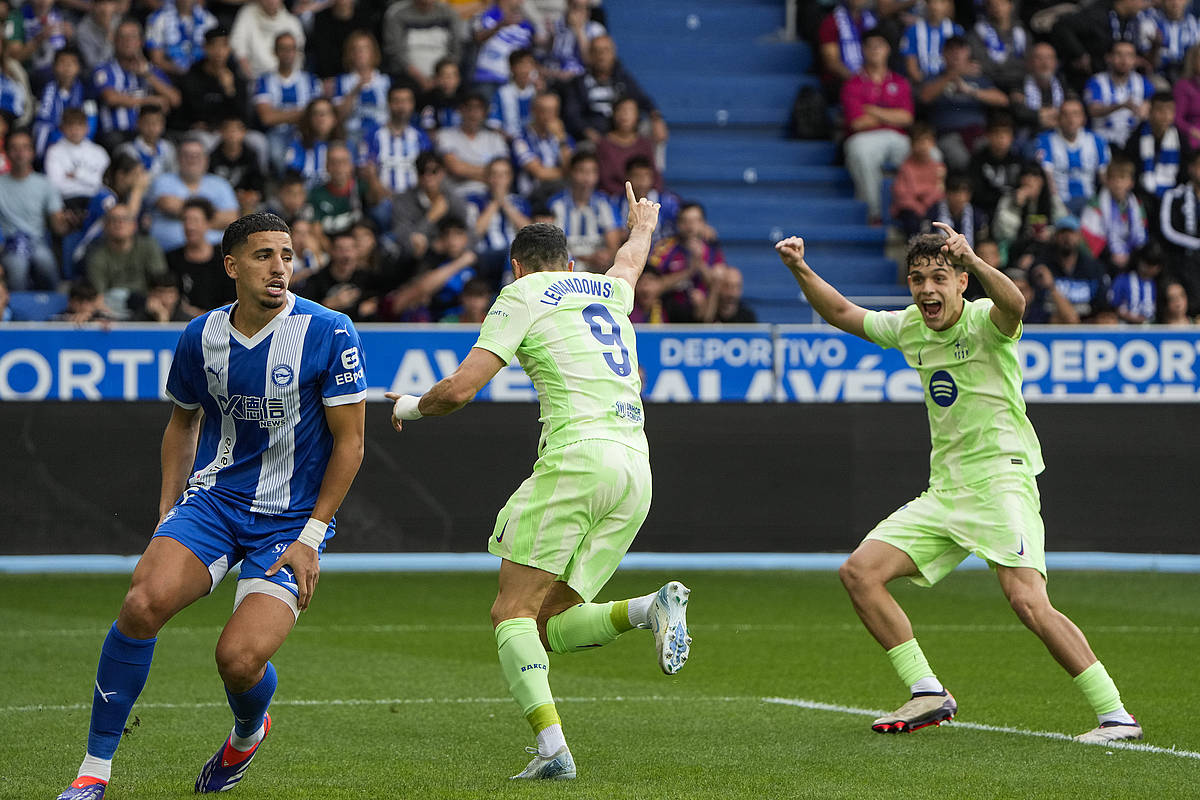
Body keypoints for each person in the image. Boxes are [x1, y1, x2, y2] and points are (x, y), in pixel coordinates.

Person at [774, 223, 1142, 746]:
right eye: (918, 279)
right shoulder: (909, 327)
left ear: (961, 282)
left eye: (940, 277)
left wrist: (976, 260)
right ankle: (927, 691)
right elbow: (840, 312)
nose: (928, 289)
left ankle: (1116, 715)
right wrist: (799, 268)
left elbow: (1015, 304)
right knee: (859, 573)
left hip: (1001, 481)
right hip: (946, 491)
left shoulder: (984, 321)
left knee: (1028, 603)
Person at [53, 212, 368, 800]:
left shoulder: (330, 331)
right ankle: (93, 772)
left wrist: (313, 535)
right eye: (263, 256)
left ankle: (247, 733)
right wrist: (169, 506)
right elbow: (182, 421)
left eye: (286, 255)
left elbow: (350, 442)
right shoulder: (200, 334)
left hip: (291, 520)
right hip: (216, 501)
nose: (279, 268)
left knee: (238, 659)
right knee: (142, 602)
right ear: (231, 266)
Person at [385, 185, 691, 781]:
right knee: (548, 624)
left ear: (518, 267)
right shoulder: (610, 291)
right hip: (636, 469)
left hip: (577, 459)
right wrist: (643, 226)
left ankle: (553, 750)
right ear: (572, 265)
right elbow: (628, 262)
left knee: (510, 614)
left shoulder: (520, 292)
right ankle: (649, 609)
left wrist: (410, 406)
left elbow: (460, 389)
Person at [842, 30, 914, 225]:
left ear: (888, 49)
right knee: (861, 153)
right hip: (864, 139)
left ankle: (916, 212)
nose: (875, 50)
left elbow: (907, 117)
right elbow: (858, 122)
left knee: (930, 154)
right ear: (863, 50)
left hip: (897, 138)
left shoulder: (900, 81)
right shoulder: (853, 83)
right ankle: (874, 214)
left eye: (879, 45)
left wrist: (873, 111)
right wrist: (892, 115)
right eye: (870, 46)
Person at [93, 19, 182, 148]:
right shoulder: (104, 70)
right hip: (118, 133)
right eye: (123, 37)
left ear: (141, 41)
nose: (128, 41)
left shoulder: (152, 70)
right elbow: (111, 98)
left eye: (133, 37)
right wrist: (151, 100)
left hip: (150, 135)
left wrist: (147, 75)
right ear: (115, 41)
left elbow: (175, 99)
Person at [0, 129, 66, 290]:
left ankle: (51, 306)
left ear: (32, 152)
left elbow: (58, 226)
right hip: (8, 244)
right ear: (7, 153)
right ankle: (17, 310)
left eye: (25, 147)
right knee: (17, 265)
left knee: (45, 260)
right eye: (14, 148)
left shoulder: (45, 184)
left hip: (37, 241)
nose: (20, 153)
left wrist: (67, 222)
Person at [148, 136, 239, 252]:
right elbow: (169, 205)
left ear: (206, 160)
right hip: (169, 250)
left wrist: (187, 215)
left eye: (197, 156)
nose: (192, 160)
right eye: (187, 155)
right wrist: (210, 215)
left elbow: (231, 219)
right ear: (178, 159)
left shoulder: (220, 184)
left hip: (214, 255)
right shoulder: (164, 180)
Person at [253, 32, 324, 173]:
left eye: (291, 49)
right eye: (283, 48)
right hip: (276, 133)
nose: (288, 53)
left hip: (307, 131)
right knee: (278, 155)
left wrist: (279, 114)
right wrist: (302, 114)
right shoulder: (264, 81)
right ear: (275, 52)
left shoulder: (310, 80)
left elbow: (317, 113)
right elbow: (266, 118)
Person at [85, 202, 168, 314]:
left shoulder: (149, 247)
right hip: (112, 310)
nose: (119, 223)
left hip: (147, 307)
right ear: (105, 226)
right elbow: (98, 297)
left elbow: (161, 284)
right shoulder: (97, 256)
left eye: (124, 219)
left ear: (134, 225)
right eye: (113, 219)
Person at [548, 151, 621, 272]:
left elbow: (613, 246)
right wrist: (588, 258)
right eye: (582, 171)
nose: (587, 177)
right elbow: (551, 248)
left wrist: (606, 256)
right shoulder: (556, 205)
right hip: (565, 270)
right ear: (571, 173)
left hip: (597, 271)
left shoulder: (605, 203)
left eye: (592, 172)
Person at [1036, 98, 1111, 214]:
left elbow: (1105, 178)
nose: (1071, 119)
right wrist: (1058, 208)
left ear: (1083, 119)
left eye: (1075, 114)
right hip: (1059, 203)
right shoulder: (1045, 141)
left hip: (1090, 203)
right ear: (1058, 119)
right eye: (1066, 115)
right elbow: (1048, 178)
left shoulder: (1097, 141)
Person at [166, 197, 237, 316]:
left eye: (195, 221)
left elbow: (232, 299)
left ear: (208, 223)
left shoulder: (224, 259)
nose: (190, 227)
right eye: (186, 220)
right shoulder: (172, 259)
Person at [436, 91, 510, 198]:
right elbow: (456, 168)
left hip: (492, 194)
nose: (473, 113)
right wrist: (491, 174)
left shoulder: (495, 138)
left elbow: (504, 171)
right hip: (459, 195)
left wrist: (466, 171)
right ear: (461, 110)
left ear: (485, 113)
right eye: (469, 108)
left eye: (478, 109)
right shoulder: (445, 135)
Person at [1080, 156, 1147, 271]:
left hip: (1131, 258)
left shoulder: (1137, 205)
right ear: (1107, 181)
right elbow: (1089, 238)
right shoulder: (1095, 204)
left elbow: (1141, 235)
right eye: (1113, 178)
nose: (1118, 183)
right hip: (1105, 259)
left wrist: (1131, 256)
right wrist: (1112, 255)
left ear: (1131, 182)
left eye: (1122, 178)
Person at [1084, 41, 1155, 149]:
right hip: (1102, 141)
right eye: (1119, 54)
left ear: (1135, 60)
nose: (1124, 60)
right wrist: (1121, 106)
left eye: (1129, 55)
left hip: (1133, 142)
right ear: (1108, 58)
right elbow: (1093, 110)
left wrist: (1148, 110)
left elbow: (1154, 106)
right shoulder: (1096, 81)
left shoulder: (1143, 82)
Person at [381, 0, 460, 91]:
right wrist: (420, 78)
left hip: (443, 80)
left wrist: (442, 77)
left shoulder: (449, 13)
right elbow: (394, 51)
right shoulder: (397, 14)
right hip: (407, 78)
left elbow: (456, 49)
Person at [33, 46, 96, 160]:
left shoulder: (87, 93)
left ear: (78, 68)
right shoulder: (44, 91)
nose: (67, 67)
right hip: (53, 145)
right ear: (54, 67)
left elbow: (91, 125)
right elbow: (42, 125)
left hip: (80, 144)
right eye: (62, 62)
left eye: (71, 63)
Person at [45, 107, 112, 207]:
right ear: (62, 128)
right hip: (66, 200)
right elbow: (55, 186)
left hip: (96, 199)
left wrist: (77, 175)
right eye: (70, 125)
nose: (75, 130)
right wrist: (90, 182)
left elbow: (106, 182)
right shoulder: (54, 151)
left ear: (87, 128)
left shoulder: (99, 151)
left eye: (79, 125)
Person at [513, 90, 574, 197]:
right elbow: (540, 173)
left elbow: (573, 166)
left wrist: (561, 140)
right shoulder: (521, 139)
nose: (549, 116)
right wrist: (567, 173)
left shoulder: (563, 137)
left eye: (554, 111)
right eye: (544, 111)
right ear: (533, 111)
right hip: (534, 192)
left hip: (560, 187)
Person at [595, 95, 657, 198]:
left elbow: (655, 177)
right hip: (613, 199)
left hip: (644, 197)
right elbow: (605, 180)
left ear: (637, 115)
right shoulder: (604, 144)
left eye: (630, 110)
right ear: (613, 114)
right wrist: (627, 195)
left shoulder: (645, 143)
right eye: (621, 110)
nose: (625, 115)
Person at [891, 123, 946, 239]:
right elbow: (903, 194)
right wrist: (918, 207)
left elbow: (939, 191)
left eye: (926, 141)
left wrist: (925, 200)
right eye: (919, 141)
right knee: (910, 219)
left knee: (938, 215)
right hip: (911, 209)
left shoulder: (939, 167)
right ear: (912, 144)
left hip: (930, 207)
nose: (923, 146)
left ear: (932, 143)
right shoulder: (905, 168)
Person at [817, 0, 878, 100]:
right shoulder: (831, 22)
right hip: (841, 82)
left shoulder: (873, 22)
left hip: (872, 79)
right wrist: (860, 82)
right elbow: (832, 63)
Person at [229, 0, 305, 79]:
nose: (270, 1)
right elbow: (237, 46)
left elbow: (299, 54)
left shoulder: (292, 22)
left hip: (285, 80)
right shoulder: (247, 14)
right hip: (253, 78)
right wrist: (251, 79)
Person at [900, 0, 963, 84]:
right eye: (932, 2)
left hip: (949, 82)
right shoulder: (913, 30)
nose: (936, 7)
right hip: (922, 83)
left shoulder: (956, 30)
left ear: (949, 5)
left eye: (941, 2)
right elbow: (911, 65)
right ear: (926, 5)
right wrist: (924, 84)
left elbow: (961, 61)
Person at [488, 48, 540, 140]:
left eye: (530, 64)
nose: (526, 70)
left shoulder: (537, 92)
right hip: (510, 141)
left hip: (534, 142)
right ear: (512, 68)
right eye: (522, 65)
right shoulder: (502, 93)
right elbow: (494, 125)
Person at [116, 106, 177, 182]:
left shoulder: (168, 147)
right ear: (138, 123)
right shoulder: (127, 150)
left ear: (163, 125)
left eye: (156, 123)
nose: (151, 127)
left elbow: (174, 175)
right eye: (147, 123)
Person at [1108, 242, 1162, 323]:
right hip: (1125, 329)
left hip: (1152, 329)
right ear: (1140, 261)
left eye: (1154, 264)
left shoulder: (1159, 283)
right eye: (1148, 263)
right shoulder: (1122, 280)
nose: (1150, 268)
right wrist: (1131, 317)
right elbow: (1113, 306)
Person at [1174, 44, 1200, 150]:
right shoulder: (1183, 86)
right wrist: (1192, 131)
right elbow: (1177, 119)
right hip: (1193, 139)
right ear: (1193, 61)